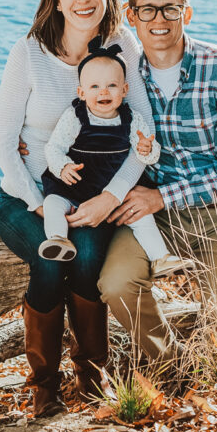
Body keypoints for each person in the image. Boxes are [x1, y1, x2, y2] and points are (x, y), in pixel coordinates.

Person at [0, 0, 154, 417]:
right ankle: (44, 387)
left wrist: (110, 198)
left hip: (93, 200)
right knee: (49, 263)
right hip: (24, 196)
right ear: (56, 0)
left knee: (85, 263)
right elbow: (3, 143)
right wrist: (39, 201)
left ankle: (92, 377)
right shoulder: (29, 53)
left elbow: (142, 136)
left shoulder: (122, 44)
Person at [97, 0, 217, 368]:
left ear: (187, 12)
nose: (159, 20)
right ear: (131, 15)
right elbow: (85, 123)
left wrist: (162, 197)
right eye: (147, 9)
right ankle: (173, 367)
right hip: (153, 218)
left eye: (170, 8)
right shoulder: (124, 77)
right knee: (116, 284)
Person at [37, 37, 191, 280]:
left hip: (110, 188)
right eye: (95, 86)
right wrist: (63, 166)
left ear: (124, 90)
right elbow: (54, 148)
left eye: (112, 85)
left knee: (141, 217)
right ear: (81, 92)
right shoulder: (75, 116)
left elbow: (149, 156)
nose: (104, 92)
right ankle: (58, 238)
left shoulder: (132, 119)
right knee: (53, 204)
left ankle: (160, 258)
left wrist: (146, 148)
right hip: (73, 184)